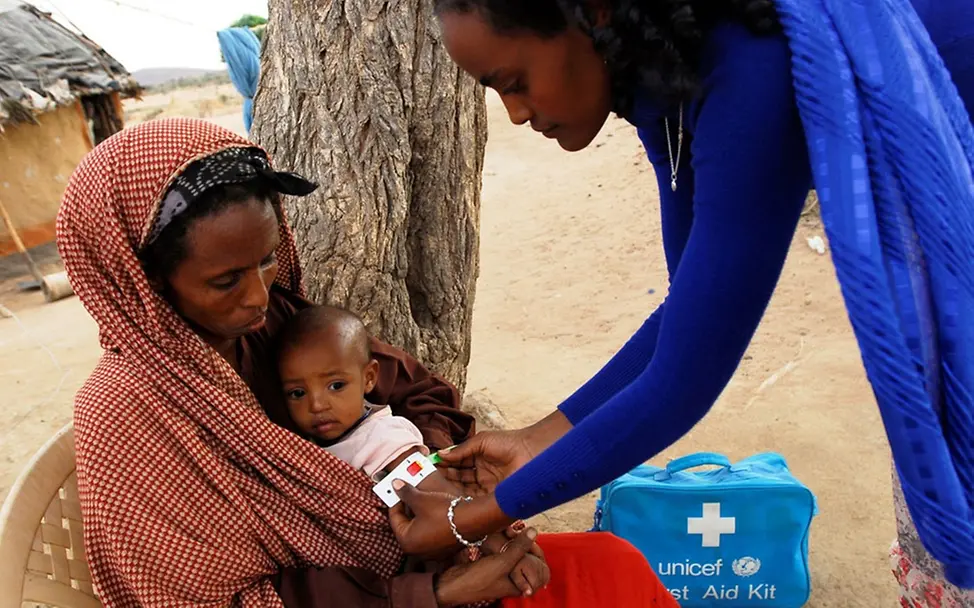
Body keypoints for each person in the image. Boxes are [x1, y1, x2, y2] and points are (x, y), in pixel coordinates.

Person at [382, 1, 974, 604]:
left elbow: (684, 380)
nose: (513, 113)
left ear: (596, 14)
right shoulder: (662, 83)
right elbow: (684, 310)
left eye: (515, 83)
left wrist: (473, 517)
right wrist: (537, 442)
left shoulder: (748, 61)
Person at [58, 117, 674, 607]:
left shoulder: (284, 326)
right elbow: (203, 598)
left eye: (268, 260)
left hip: (439, 564)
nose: (257, 294)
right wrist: (434, 591)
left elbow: (418, 396)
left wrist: (426, 481)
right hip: (404, 594)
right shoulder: (128, 417)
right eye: (224, 281)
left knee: (616, 568)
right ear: (144, 280)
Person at [277, 305, 548, 597]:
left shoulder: (382, 439)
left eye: (336, 385)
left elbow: (442, 498)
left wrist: (504, 550)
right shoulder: (309, 444)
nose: (317, 405)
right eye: (298, 393)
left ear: (369, 378)